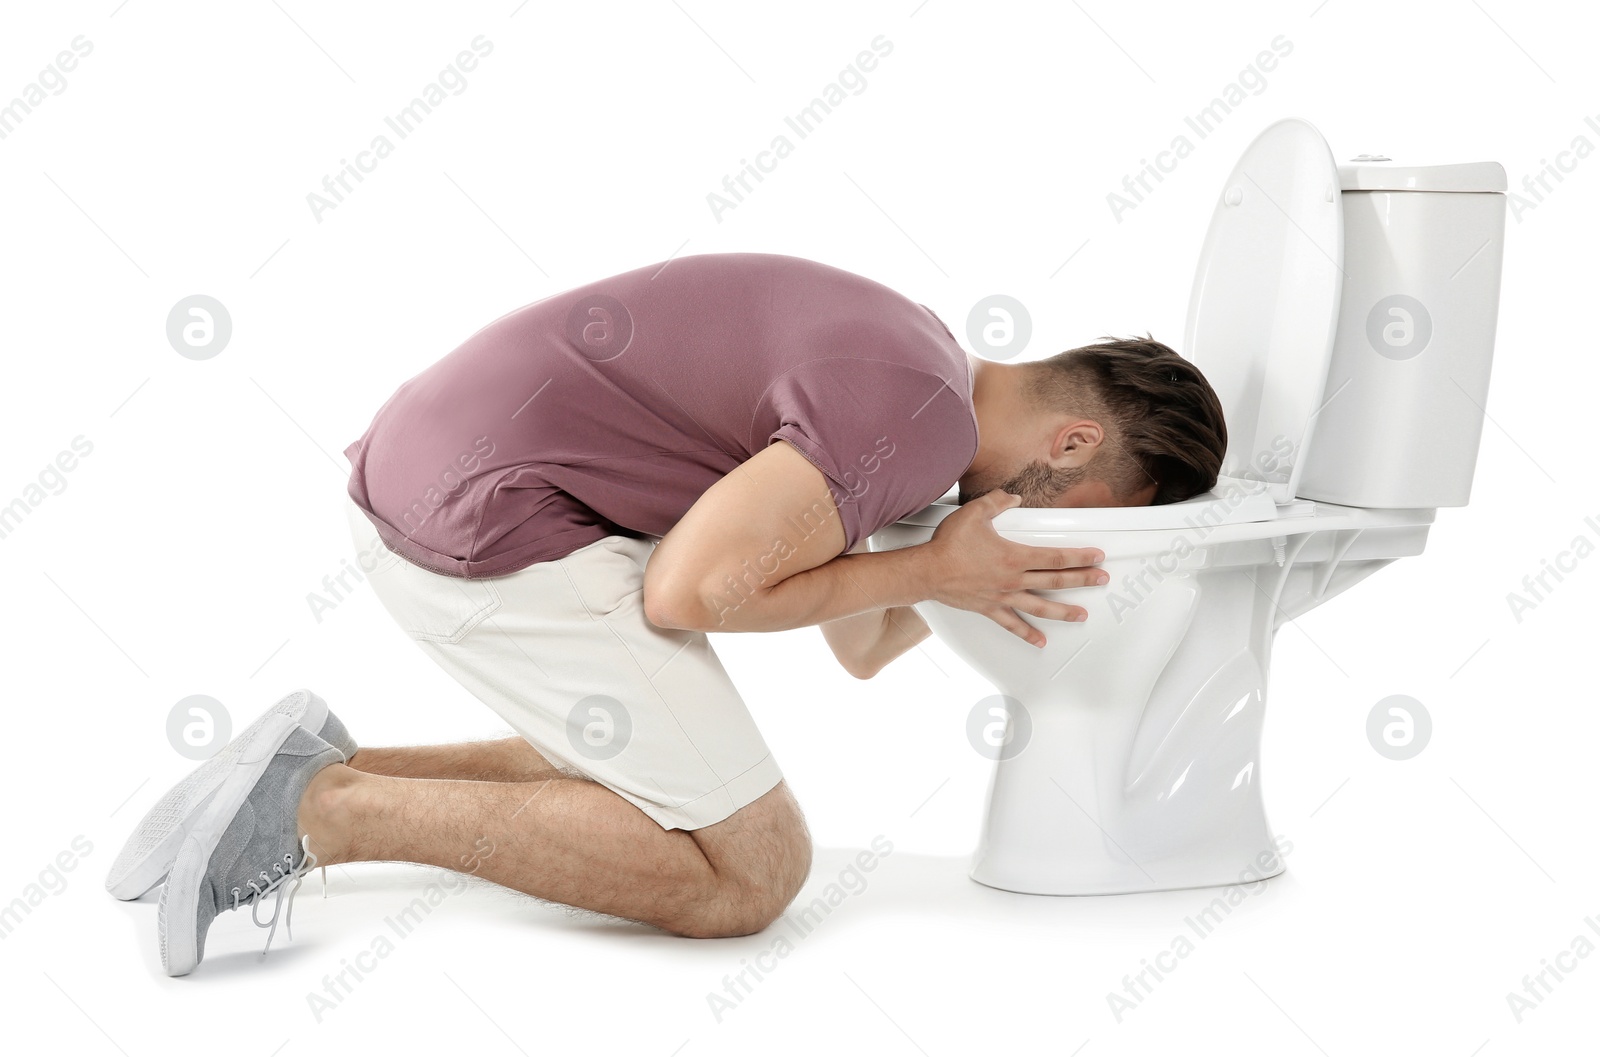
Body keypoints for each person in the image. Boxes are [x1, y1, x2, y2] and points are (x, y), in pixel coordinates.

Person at [106, 252, 1227, 975]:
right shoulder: (918, 416)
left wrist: (949, 564)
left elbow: (855, 641)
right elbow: (692, 592)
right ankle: (319, 809)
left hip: (436, 471)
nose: (1068, 528)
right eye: (1090, 507)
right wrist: (936, 571)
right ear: (1072, 443)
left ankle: (302, 761)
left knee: (655, 778)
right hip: (487, 521)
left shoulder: (922, 370)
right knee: (750, 869)